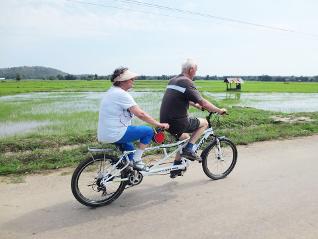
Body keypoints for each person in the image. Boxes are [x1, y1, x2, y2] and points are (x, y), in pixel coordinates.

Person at [160, 59, 226, 178]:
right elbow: (203, 102)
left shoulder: (173, 80)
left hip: (165, 122)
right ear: (191, 70)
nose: (196, 73)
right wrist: (218, 110)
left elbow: (183, 97)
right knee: (204, 123)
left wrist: (196, 105)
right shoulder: (187, 82)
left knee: (185, 137)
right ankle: (189, 149)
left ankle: (176, 166)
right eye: (196, 70)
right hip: (178, 122)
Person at [98, 67, 169, 171]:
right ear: (123, 81)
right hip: (116, 133)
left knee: (130, 149)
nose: (133, 81)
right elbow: (140, 114)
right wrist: (158, 124)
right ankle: (137, 161)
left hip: (106, 133)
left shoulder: (112, 91)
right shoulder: (122, 94)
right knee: (148, 131)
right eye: (131, 79)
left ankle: (128, 172)